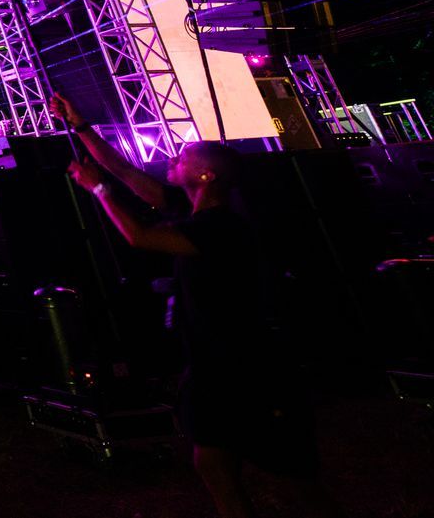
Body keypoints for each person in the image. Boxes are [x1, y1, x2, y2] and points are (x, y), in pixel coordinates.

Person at [52, 93, 333, 518]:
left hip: (248, 363)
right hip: (214, 365)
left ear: (205, 175)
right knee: (213, 463)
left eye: (183, 157)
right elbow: (127, 172)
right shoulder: (194, 207)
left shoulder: (221, 227)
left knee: (293, 478)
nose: (173, 158)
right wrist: (80, 126)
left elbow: (141, 237)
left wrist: (98, 189)